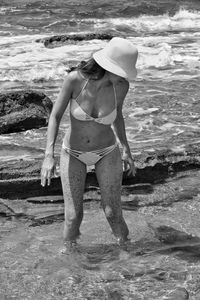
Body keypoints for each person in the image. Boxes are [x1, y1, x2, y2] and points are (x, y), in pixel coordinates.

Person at [41, 37, 138, 247]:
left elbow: (118, 116)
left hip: (107, 151)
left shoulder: (121, 87)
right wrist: (49, 156)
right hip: (73, 153)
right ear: (109, 65)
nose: (124, 76)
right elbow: (55, 116)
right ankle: (71, 267)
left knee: (113, 213)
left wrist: (126, 149)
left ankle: (127, 254)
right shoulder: (74, 79)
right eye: (122, 70)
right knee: (73, 217)